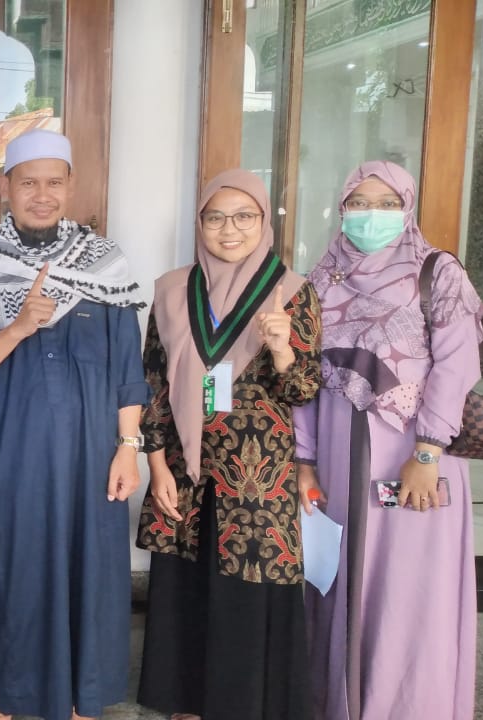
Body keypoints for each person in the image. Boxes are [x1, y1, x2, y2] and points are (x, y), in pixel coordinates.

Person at [0, 129, 149, 720]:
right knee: (8, 573)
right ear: (6, 188)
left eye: (54, 182)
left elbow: (128, 370)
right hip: (7, 460)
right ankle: (2, 699)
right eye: (29, 182)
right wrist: (18, 327)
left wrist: (129, 447)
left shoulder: (106, 266)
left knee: (89, 574)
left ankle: (80, 698)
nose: (42, 195)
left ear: (71, 187)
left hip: (89, 462)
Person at [294, 161, 483, 720]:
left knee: (407, 584)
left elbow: (456, 365)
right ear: (341, 209)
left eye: (386, 203)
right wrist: (305, 459)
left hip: (413, 452)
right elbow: (304, 377)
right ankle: (343, 703)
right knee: (341, 574)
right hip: (336, 449)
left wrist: (428, 452)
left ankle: (407, 705)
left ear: (407, 208)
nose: (370, 214)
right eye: (359, 202)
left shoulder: (437, 272)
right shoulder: (322, 277)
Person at [134, 169, 320, 720]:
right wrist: (156, 466)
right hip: (185, 469)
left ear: (264, 222)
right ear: (200, 223)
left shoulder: (292, 291)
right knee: (187, 585)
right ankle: (188, 700)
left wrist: (282, 349)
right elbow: (152, 381)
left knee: (248, 587)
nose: (229, 228)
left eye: (244, 216)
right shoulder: (172, 289)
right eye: (215, 217)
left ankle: (242, 704)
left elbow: (304, 389)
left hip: (256, 473)